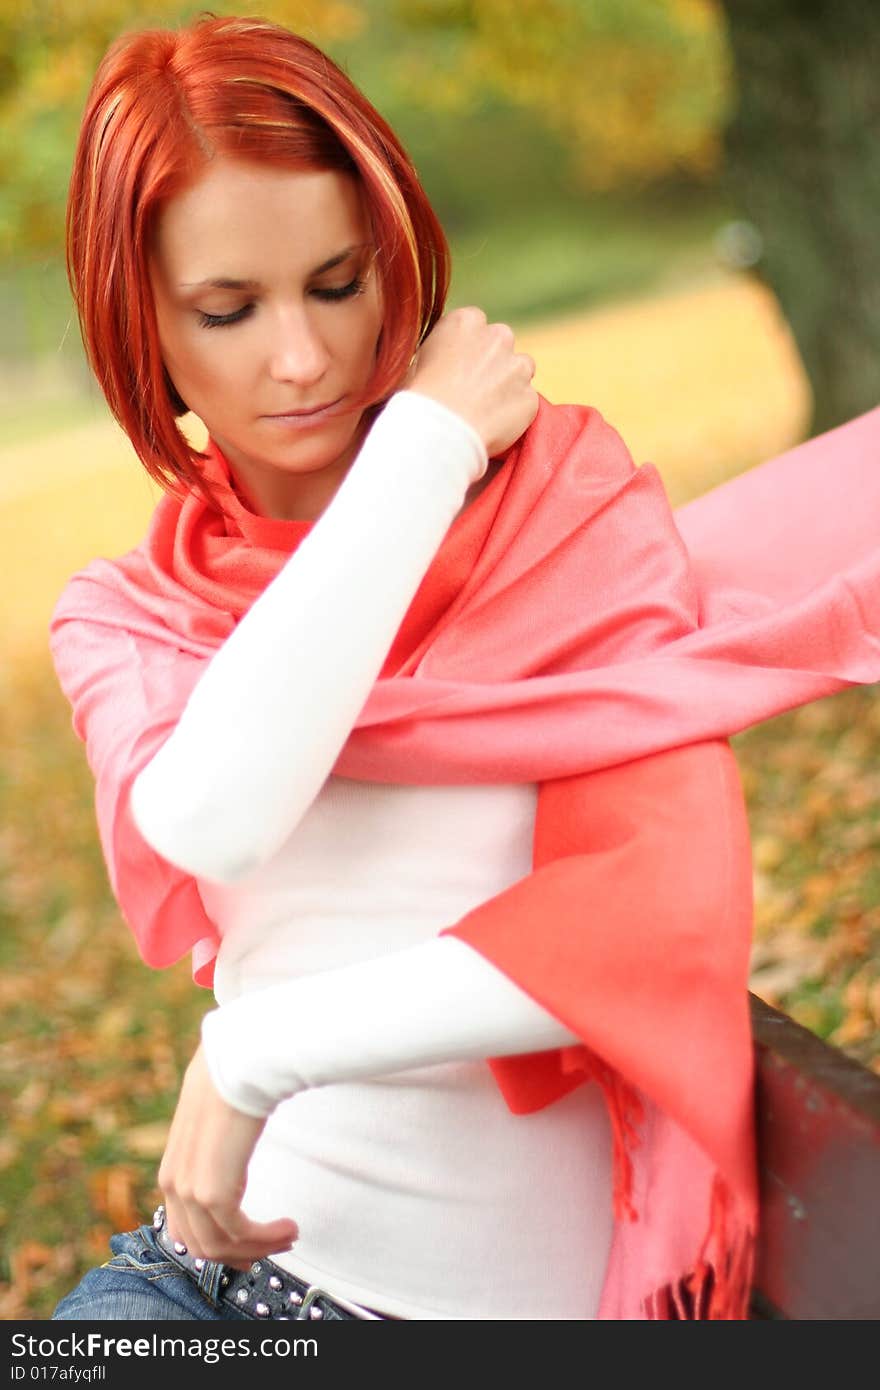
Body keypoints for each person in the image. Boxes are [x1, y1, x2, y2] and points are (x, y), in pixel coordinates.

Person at [48, 15, 880, 1322]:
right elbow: (215, 813)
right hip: (214, 1292)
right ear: (139, 327)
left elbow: (653, 911)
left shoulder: (563, 517)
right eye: (228, 308)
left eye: (337, 282)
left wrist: (256, 1052)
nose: (304, 358)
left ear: (392, 257)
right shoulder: (132, 617)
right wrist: (420, 450)